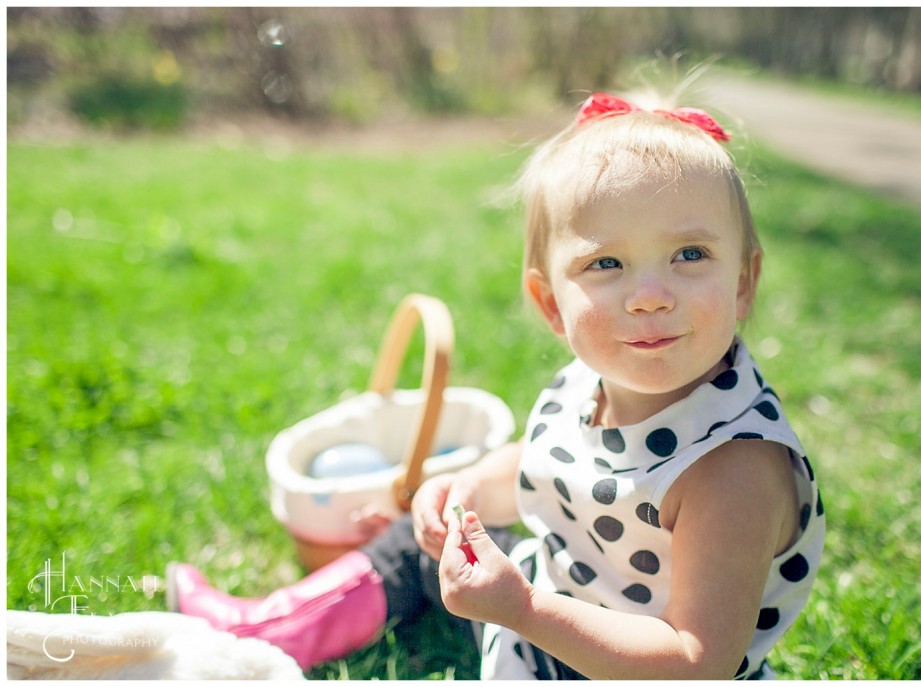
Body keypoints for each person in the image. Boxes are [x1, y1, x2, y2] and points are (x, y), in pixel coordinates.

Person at [168, 90, 825, 679]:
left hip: (609, 661)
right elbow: (551, 465)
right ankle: (257, 630)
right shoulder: (596, 380)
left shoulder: (732, 468)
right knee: (416, 545)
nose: (650, 295)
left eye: (690, 254)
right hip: (553, 619)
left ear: (743, 281)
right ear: (550, 305)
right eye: (607, 263)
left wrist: (526, 608)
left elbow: (695, 660)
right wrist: (469, 489)